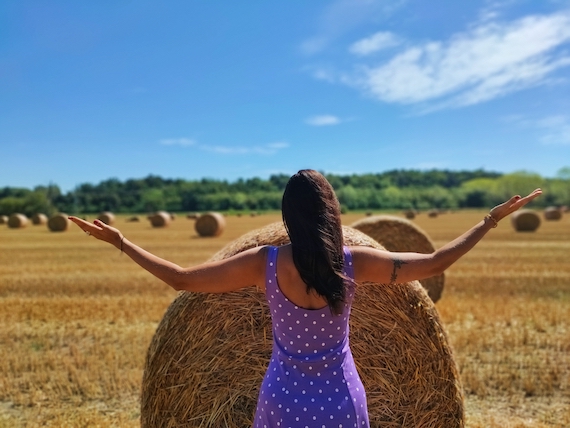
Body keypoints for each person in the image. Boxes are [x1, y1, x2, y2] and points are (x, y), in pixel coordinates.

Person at [69, 169, 541, 428]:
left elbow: (181, 279)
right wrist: (488, 221)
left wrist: (122, 242)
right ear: (331, 212)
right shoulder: (353, 263)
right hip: (341, 400)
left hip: (283, 402)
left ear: (288, 214)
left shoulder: (266, 263)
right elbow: (435, 262)